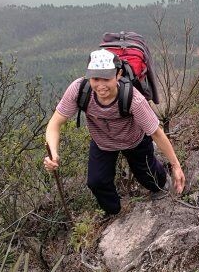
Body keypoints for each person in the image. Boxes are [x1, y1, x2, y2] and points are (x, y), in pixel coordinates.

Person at [44, 49, 185, 216]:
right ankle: (115, 212)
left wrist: (176, 165)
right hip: (102, 142)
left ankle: (162, 183)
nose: (101, 85)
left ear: (118, 75)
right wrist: (53, 153)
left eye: (106, 79)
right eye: (95, 79)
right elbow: (54, 123)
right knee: (97, 182)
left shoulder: (133, 99)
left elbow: (156, 132)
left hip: (134, 140)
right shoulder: (79, 90)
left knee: (150, 178)